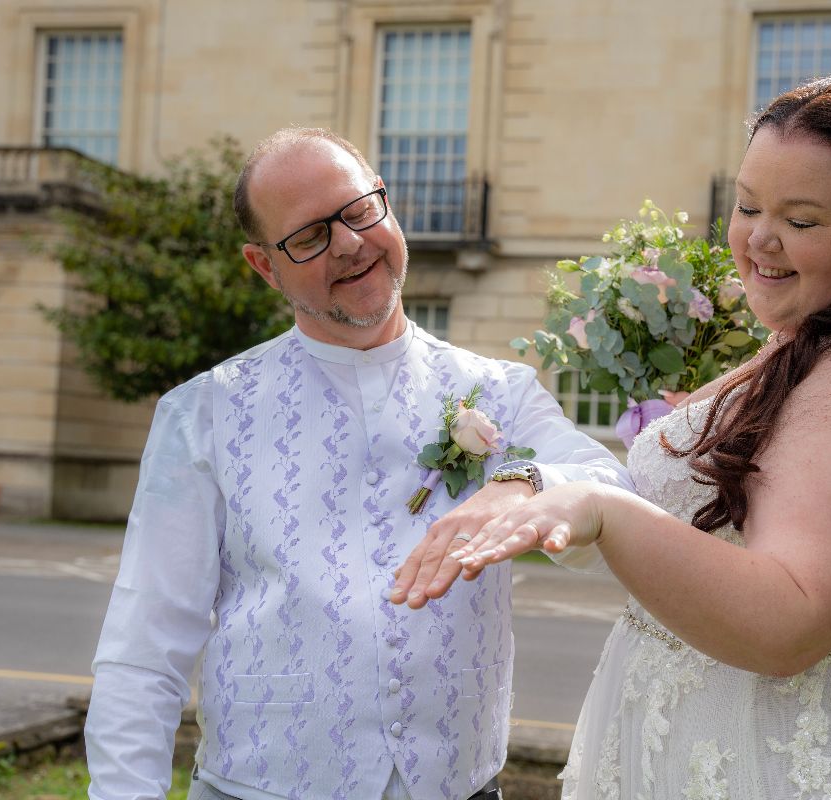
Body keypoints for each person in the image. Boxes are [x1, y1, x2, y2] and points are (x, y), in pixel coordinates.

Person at [391, 72, 831, 798]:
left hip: (774, 764)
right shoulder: (808, 345)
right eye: (748, 205)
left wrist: (605, 511)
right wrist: (549, 482)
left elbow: (787, 622)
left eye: (802, 221)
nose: (760, 238)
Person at [83, 126, 631, 800]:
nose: (348, 242)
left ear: (386, 205)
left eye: (358, 211)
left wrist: (522, 486)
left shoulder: (501, 393)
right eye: (310, 236)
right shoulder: (202, 415)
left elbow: (611, 484)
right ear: (264, 266)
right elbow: (144, 650)